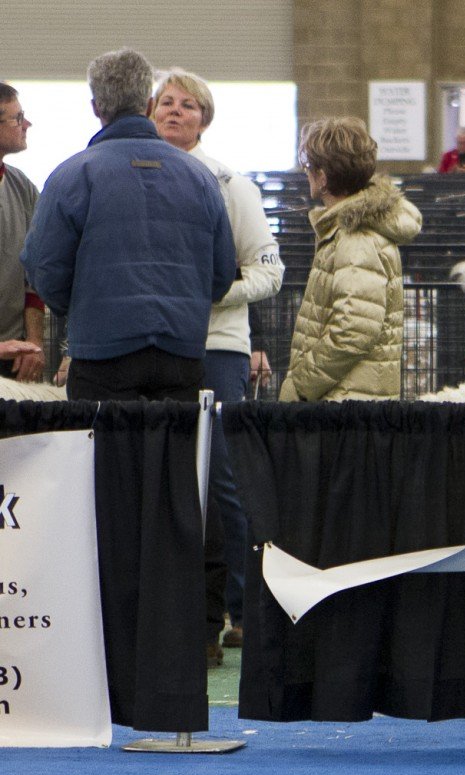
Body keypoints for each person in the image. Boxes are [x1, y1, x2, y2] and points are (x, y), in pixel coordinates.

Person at [152, 68, 285, 656]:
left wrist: (212, 293)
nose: (174, 111)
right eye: (164, 102)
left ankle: (242, 608)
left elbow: (270, 270)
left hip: (217, 349)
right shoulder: (137, 177)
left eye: (187, 105)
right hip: (152, 347)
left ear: (204, 119)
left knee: (224, 483)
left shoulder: (232, 184)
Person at [21, 48, 236, 401]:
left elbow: (44, 268)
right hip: (181, 355)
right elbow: (222, 274)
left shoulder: (72, 176)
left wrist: (81, 308)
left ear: (96, 107)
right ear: (150, 105)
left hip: (101, 355)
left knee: (106, 455)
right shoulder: (201, 179)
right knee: (175, 456)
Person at [280, 117, 421, 402]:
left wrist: (300, 386)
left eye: (310, 167)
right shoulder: (351, 231)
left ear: (323, 177)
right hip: (354, 401)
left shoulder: (355, 239)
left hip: (345, 408)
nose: (306, 173)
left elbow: (353, 330)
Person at [0, 83, 44, 385]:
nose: (26, 125)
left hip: (14, 359)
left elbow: (35, 277)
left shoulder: (22, 187)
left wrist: (34, 346)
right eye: (18, 118)